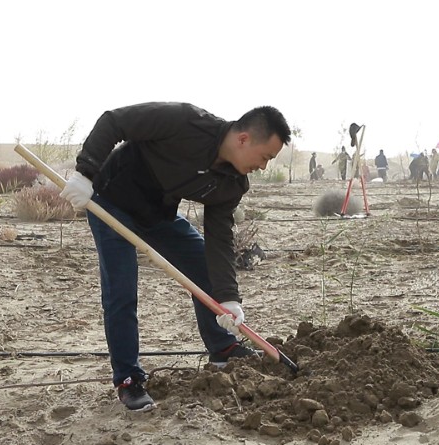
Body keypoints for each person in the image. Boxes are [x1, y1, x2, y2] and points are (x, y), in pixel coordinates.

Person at [59, 102, 291, 411]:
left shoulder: (233, 182)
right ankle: (128, 379)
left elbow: (219, 239)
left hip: (158, 214)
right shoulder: (185, 122)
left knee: (203, 267)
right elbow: (114, 121)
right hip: (110, 202)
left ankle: (223, 349)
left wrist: (228, 298)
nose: (263, 167)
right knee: (122, 290)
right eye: (265, 157)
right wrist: (85, 174)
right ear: (244, 139)